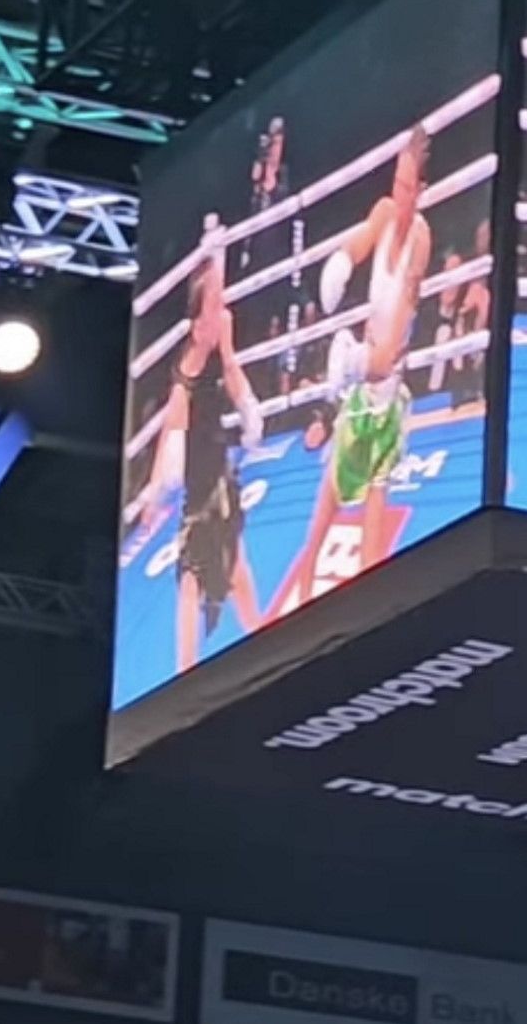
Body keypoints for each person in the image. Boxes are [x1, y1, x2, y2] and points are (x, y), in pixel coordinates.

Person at [289, 126, 433, 609]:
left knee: (374, 514)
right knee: (323, 512)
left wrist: (356, 362)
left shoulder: (420, 239)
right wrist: (341, 262)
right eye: (396, 182)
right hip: (361, 391)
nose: (399, 193)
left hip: (387, 388)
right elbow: (360, 242)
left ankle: (369, 610)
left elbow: (396, 333)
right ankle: (302, 603)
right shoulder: (385, 211)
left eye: (408, 186)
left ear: (422, 189)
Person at [140, 232, 266, 673]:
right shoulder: (187, 367)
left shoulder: (223, 322)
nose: (220, 306)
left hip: (217, 447)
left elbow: (230, 366)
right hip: (194, 458)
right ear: (197, 320)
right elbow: (171, 429)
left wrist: (248, 406)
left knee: (232, 546)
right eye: (213, 301)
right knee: (193, 565)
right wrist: (154, 490)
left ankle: (260, 632)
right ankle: (185, 667)